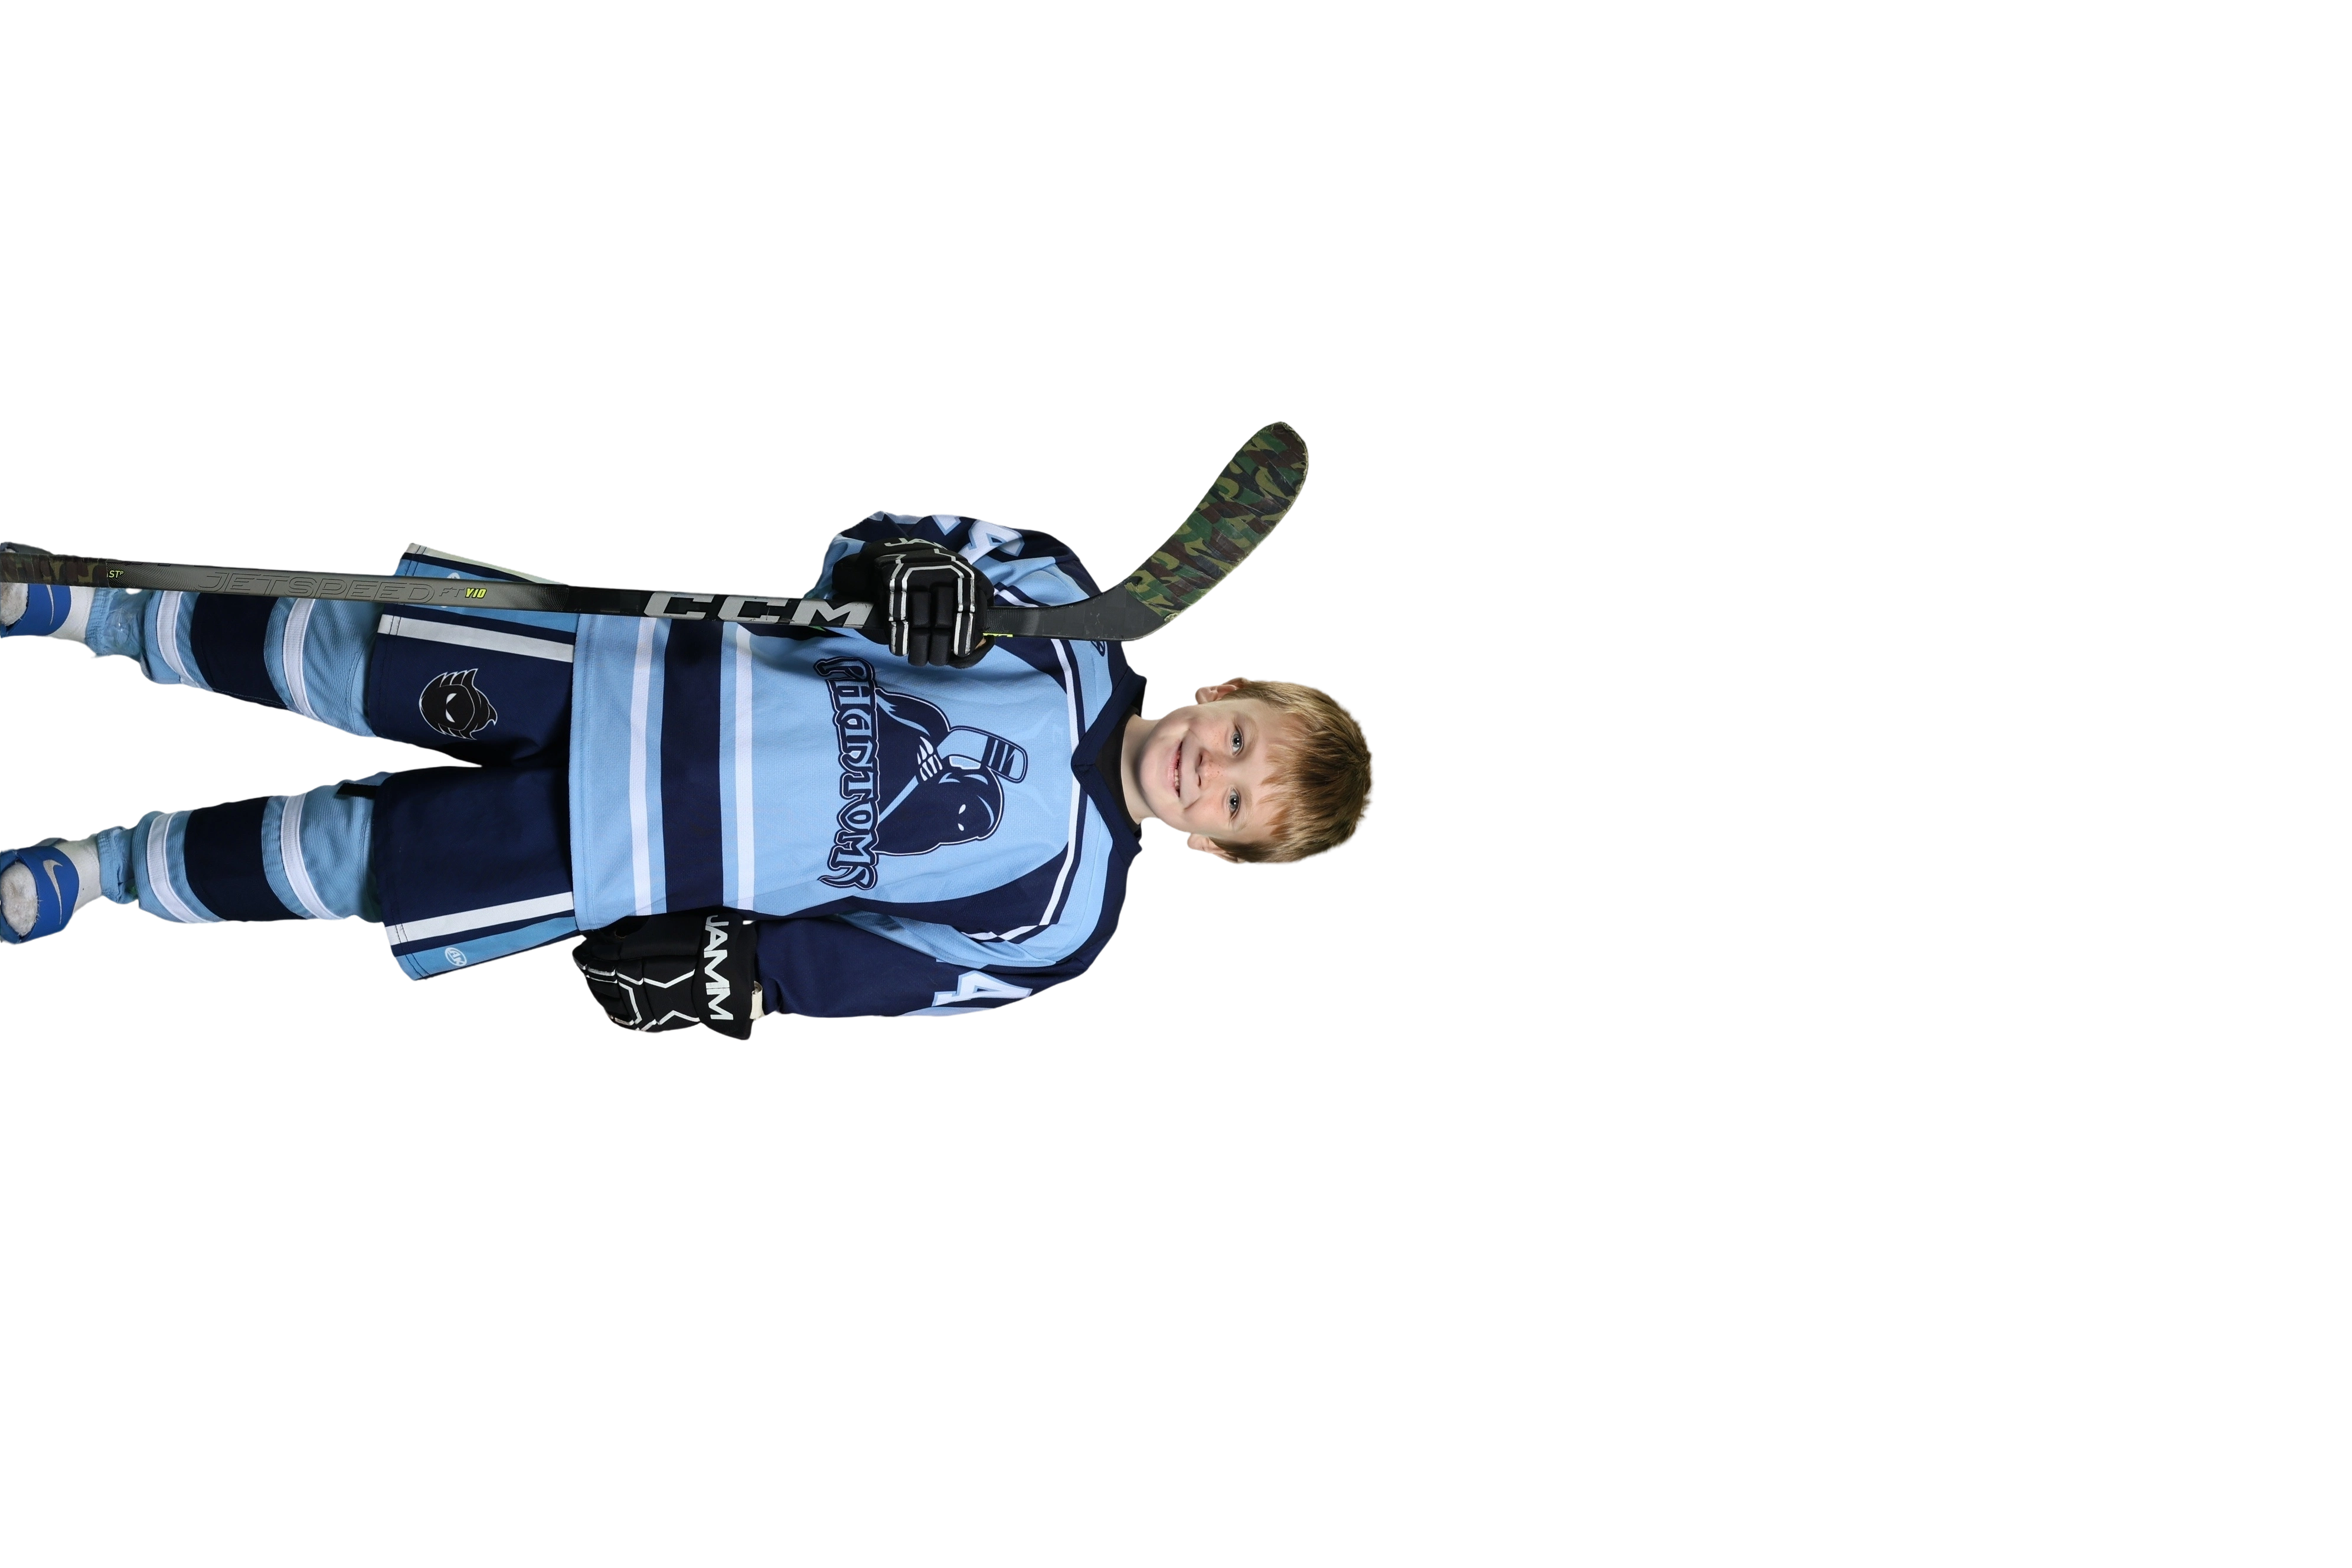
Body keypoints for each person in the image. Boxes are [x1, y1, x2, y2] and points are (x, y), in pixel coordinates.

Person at [0, 517, 1377, 1034]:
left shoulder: (1063, 926)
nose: (1211, 771)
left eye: (1236, 802)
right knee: (343, 651)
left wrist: (746, 977)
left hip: (631, 856)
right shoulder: (1070, 619)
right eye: (1240, 737)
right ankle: (94, 611)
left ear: (1220, 849)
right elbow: (882, 537)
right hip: (626, 670)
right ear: (1225, 691)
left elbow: (894, 969)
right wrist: (915, 575)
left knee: (340, 867)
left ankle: (94, 872)